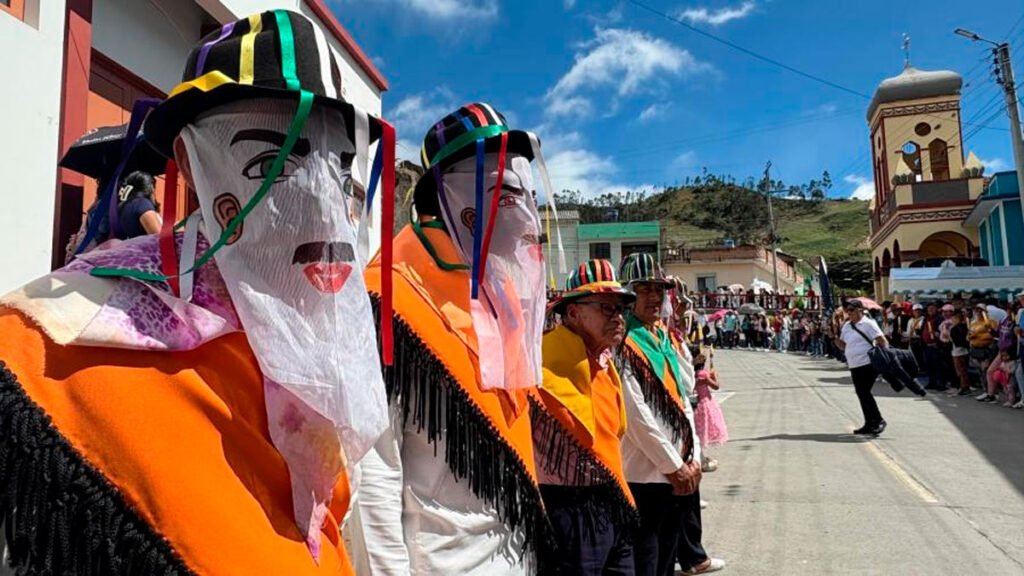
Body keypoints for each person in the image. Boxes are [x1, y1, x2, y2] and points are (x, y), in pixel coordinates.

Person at [0, 10, 394, 573]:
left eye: (336, 168)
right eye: (270, 163)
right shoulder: (64, 334)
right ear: (191, 163)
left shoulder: (324, 321)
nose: (317, 205)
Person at [356, 104, 551, 574]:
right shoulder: (389, 299)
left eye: (522, 191)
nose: (522, 210)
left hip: (514, 552)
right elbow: (372, 479)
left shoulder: (496, 293)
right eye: (500, 193)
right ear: (450, 198)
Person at [533, 260, 639, 575]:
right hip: (567, 507)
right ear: (574, 312)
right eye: (607, 308)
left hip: (612, 498)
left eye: (621, 309)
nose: (618, 317)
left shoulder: (605, 361)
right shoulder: (538, 362)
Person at [616, 254, 702, 576]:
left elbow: (685, 391)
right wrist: (674, 466)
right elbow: (637, 418)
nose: (654, 297)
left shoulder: (660, 335)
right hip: (646, 474)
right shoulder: (623, 341)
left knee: (665, 559)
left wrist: (692, 457)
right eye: (644, 289)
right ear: (628, 294)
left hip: (677, 469)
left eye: (659, 290)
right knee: (646, 561)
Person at [835, 299, 889, 436]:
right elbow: (843, 345)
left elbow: (882, 341)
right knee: (861, 393)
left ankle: (878, 420)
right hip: (854, 364)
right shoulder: (847, 326)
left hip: (868, 363)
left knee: (864, 392)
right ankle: (869, 423)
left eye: (852, 310)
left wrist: (883, 357)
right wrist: (835, 338)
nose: (849, 313)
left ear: (860, 310)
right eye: (848, 311)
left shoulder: (869, 324)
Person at [692, 353, 728, 462]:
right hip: (706, 403)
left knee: (700, 430)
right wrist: (715, 377)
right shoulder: (703, 375)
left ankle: (700, 456)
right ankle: (700, 457)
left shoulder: (695, 374)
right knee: (704, 430)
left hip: (699, 402)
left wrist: (712, 360)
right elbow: (716, 386)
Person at [115, 170, 163, 239]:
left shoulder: (124, 206)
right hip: (147, 248)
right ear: (151, 188)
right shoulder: (143, 204)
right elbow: (158, 237)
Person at [949, 310, 973, 396]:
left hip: (959, 351)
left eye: (954, 318)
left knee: (961, 370)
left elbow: (956, 340)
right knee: (961, 370)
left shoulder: (956, 328)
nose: (952, 320)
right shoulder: (964, 327)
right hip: (961, 350)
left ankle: (965, 387)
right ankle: (962, 386)